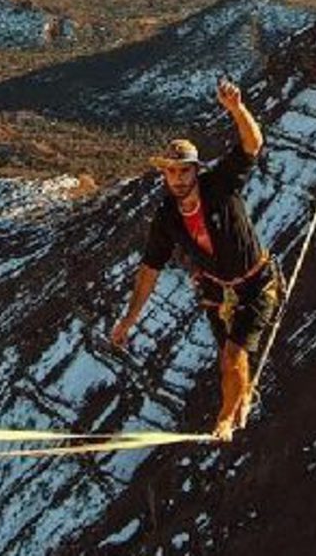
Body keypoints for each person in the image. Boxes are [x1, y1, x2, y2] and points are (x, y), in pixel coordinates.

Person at [111, 78, 282, 441]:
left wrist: (237, 109)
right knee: (232, 357)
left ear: (196, 170)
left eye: (184, 170)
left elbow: (253, 145)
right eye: (171, 172)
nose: (177, 178)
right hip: (215, 293)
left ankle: (223, 420)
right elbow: (149, 271)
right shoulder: (167, 219)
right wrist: (129, 320)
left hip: (255, 284)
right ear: (164, 174)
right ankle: (244, 399)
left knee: (231, 357)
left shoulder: (220, 184)